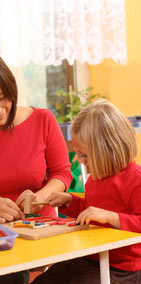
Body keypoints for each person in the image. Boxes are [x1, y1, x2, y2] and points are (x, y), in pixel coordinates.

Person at [0, 50, 72, 284]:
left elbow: (62, 173)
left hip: (38, 230)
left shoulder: (43, 120)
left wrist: (41, 197)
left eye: (1, 98)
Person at [31, 99, 141, 284]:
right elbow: (92, 209)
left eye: (84, 155)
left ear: (107, 151)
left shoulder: (135, 179)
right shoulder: (95, 178)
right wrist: (69, 202)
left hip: (122, 269)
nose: (79, 160)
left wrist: (111, 217)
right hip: (88, 257)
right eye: (77, 153)